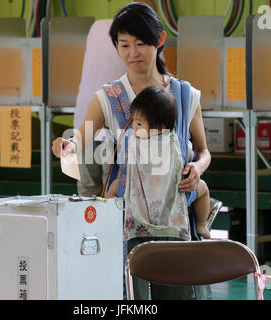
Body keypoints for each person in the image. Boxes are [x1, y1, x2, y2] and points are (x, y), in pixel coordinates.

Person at [52, 2, 212, 299]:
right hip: (126, 224)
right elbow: (82, 138)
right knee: (129, 298)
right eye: (124, 45)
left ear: (160, 40)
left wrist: (198, 169)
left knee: (177, 294)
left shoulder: (185, 95)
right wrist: (68, 145)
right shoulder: (107, 97)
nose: (132, 53)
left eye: (141, 44)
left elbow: (203, 151)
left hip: (175, 222)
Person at [106, 86, 212, 240]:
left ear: (159, 128)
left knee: (114, 188)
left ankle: (109, 220)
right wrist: (192, 164)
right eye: (134, 122)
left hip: (139, 197)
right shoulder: (173, 140)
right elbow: (187, 155)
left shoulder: (136, 142)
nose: (134, 127)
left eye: (139, 124)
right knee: (203, 188)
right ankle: (202, 224)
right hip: (174, 193)